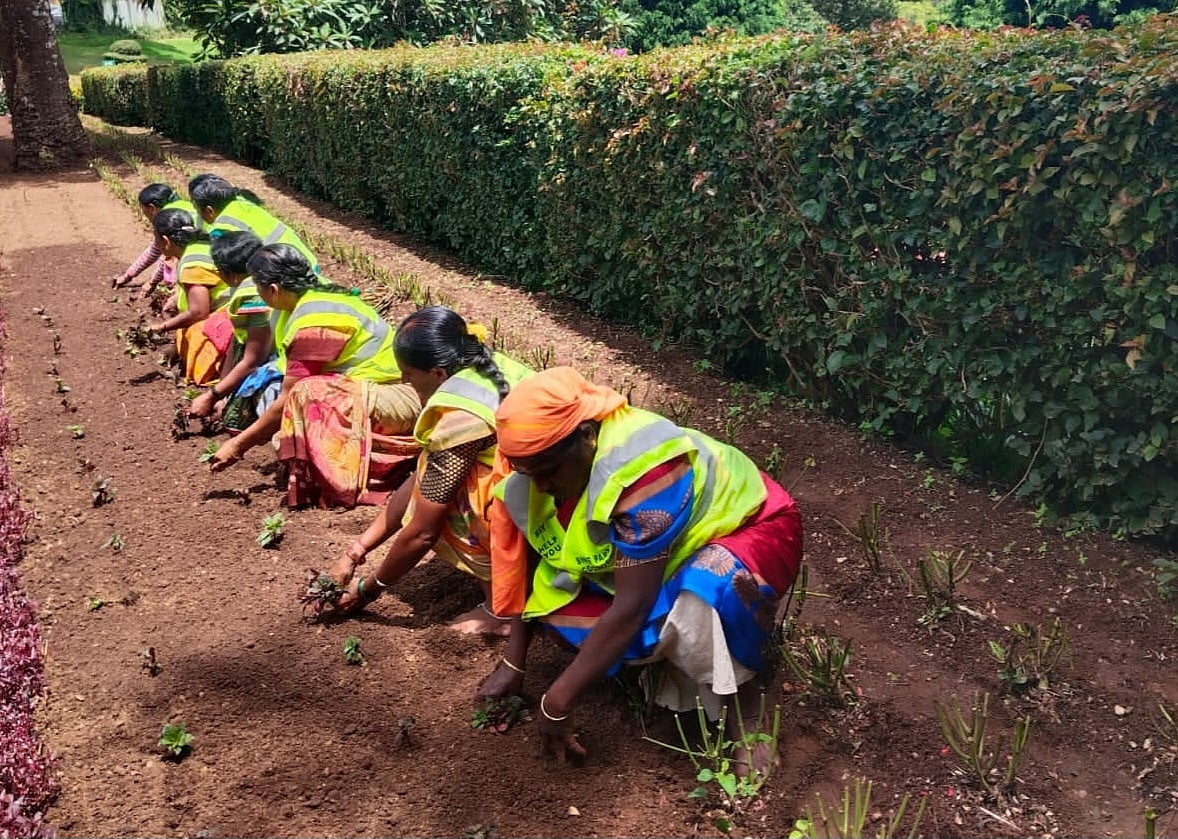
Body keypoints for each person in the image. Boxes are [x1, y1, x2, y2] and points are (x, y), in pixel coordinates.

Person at [477, 367, 803, 767]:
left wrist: (559, 699)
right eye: (530, 474)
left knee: (703, 593)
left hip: (753, 526)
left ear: (586, 436)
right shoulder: (534, 474)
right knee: (561, 615)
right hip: (660, 555)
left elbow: (631, 606)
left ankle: (746, 705)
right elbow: (534, 568)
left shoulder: (646, 475)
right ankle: (673, 659)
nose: (541, 486)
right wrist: (515, 661)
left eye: (548, 473)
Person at [331, 306, 534, 634]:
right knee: (437, 476)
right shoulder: (488, 365)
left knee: (456, 499)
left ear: (439, 373)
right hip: (554, 485)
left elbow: (423, 531)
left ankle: (503, 608)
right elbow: (422, 478)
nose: (402, 381)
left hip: (543, 503)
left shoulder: (461, 419)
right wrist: (356, 551)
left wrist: (368, 590)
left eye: (408, 373)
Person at [208, 244, 421, 508]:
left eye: (259, 289)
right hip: (385, 392)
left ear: (273, 290)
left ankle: (343, 483)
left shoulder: (315, 320)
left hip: (397, 400)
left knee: (307, 393)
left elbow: (290, 396)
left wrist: (238, 446)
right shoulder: (312, 294)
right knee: (294, 411)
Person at [188, 230, 277, 424]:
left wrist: (212, 396)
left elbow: (254, 360)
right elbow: (237, 342)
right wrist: (222, 392)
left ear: (226, 273)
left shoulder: (252, 295)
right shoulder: (260, 278)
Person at [148, 208, 232, 386]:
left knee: (195, 332)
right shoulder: (201, 245)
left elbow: (199, 312)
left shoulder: (192, 263)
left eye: (156, 239)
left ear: (165, 241)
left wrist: (162, 327)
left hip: (229, 320)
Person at [188, 175, 319, 270]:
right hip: (308, 262)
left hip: (289, 271)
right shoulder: (244, 204)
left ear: (209, 211)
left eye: (197, 209)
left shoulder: (222, 227)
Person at [112, 183, 198, 302]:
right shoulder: (182, 206)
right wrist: (128, 275)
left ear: (152, 208)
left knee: (173, 265)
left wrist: (152, 282)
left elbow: (166, 255)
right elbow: (155, 249)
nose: (146, 216)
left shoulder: (168, 218)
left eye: (144, 212)